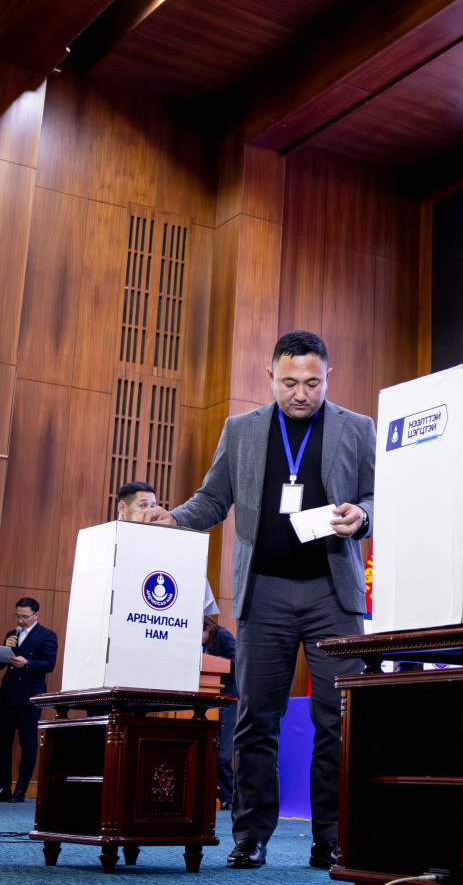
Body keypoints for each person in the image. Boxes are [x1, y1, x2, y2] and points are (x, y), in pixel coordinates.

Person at [135, 330, 374, 871]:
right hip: (263, 592)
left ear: (329, 376)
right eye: (289, 382)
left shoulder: (356, 428)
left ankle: (332, 836)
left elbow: (376, 498)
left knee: (338, 719)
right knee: (257, 720)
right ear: (270, 377)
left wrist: (363, 516)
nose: (300, 393)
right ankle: (251, 836)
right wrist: (175, 518)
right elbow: (213, 498)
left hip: (332, 594)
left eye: (312, 382)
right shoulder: (240, 430)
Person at [117, 481, 220, 616]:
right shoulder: (106, 546)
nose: (150, 511)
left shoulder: (173, 550)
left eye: (153, 506)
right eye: (143, 505)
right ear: (122, 509)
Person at [0, 597, 58, 802]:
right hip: (7, 697)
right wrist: (4, 648)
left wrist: (27, 663)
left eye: (24, 616)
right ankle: (3, 787)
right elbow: (2, 664)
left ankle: (21, 789)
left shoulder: (47, 635)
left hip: (29, 699)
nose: (20, 620)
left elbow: (49, 664)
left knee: (28, 744)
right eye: (17, 616)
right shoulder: (11, 634)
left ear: (36, 615)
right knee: (3, 743)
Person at [203, 616, 239, 809]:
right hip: (210, 698)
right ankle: (223, 796)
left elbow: (237, 660)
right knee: (211, 749)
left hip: (227, 697)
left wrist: (215, 662)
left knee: (223, 753)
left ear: (208, 628)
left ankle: (230, 797)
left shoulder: (223, 635)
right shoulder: (206, 643)